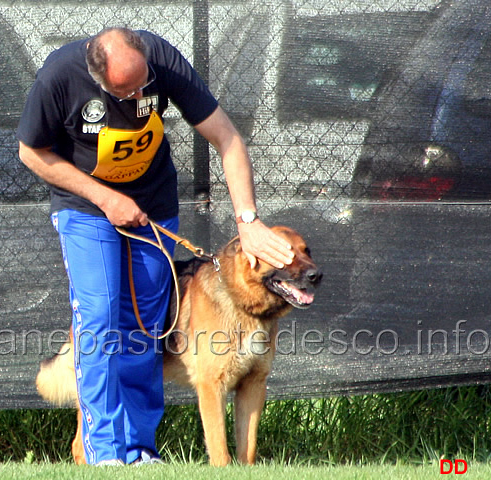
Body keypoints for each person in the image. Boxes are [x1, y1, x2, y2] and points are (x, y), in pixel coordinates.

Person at [17, 27, 294, 466]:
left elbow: (228, 139)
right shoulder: (59, 76)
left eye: (143, 86)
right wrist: (105, 197)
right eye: (125, 93)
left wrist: (249, 221)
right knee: (103, 316)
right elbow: (32, 153)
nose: (138, 98)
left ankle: (138, 447)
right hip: (86, 207)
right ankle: (105, 451)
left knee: (146, 326)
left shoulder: (161, 59)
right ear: (97, 74)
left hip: (152, 205)